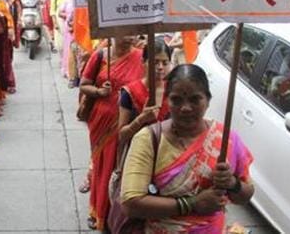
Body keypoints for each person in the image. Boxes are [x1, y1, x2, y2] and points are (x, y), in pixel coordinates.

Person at [120, 64, 254, 232]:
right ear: (167, 101)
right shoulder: (148, 139)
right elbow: (131, 204)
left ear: (208, 100)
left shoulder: (227, 138)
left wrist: (232, 183)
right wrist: (193, 203)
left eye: (195, 99)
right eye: (176, 100)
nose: (185, 108)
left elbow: (246, 195)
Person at [78, 36, 144, 231]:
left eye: (134, 32)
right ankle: (97, 211)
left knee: (121, 168)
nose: (130, 36)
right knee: (102, 167)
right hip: (101, 121)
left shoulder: (141, 57)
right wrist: (98, 92)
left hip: (129, 122)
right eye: (126, 31)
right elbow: (83, 84)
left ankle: (117, 214)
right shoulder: (100, 55)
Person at [118, 37, 173, 149]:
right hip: (137, 154)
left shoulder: (173, 90)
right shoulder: (130, 92)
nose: (160, 67)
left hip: (167, 155)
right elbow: (122, 135)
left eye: (165, 63)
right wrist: (141, 119)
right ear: (143, 62)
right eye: (155, 62)